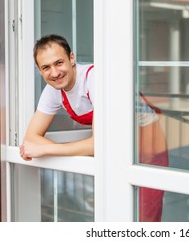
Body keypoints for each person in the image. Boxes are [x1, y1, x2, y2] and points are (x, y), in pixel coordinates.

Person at [20, 34, 168, 222]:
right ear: (40, 71)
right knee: (115, 215)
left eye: (59, 62)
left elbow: (98, 145)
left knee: (146, 220)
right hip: (117, 155)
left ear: (71, 59)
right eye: (46, 67)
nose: (55, 72)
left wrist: (46, 149)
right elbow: (31, 139)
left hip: (149, 153)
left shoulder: (95, 78)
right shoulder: (53, 91)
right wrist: (43, 147)